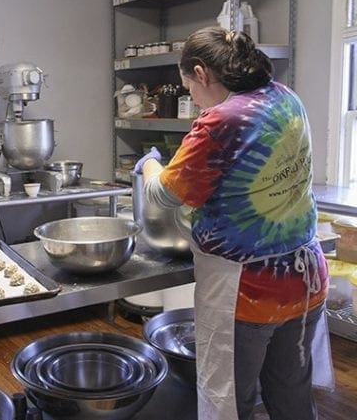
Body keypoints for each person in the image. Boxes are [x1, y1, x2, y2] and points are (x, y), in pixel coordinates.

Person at [134, 26, 334, 420]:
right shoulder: (285, 97)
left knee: (230, 403)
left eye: (188, 86)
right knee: (291, 396)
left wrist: (150, 163)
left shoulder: (220, 121)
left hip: (247, 291)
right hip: (305, 278)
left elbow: (163, 194)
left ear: (201, 73)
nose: (191, 97)